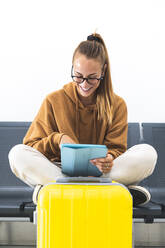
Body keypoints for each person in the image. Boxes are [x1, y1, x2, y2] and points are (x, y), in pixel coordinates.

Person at [8, 33, 157, 206]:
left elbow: (117, 150)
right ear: (72, 68)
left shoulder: (117, 105)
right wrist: (58, 139)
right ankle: (111, 190)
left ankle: (55, 190)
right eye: (78, 76)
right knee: (16, 154)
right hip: (59, 169)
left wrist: (108, 158)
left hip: (101, 173)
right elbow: (30, 146)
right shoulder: (53, 100)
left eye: (92, 77)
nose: (84, 84)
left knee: (148, 154)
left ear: (103, 71)